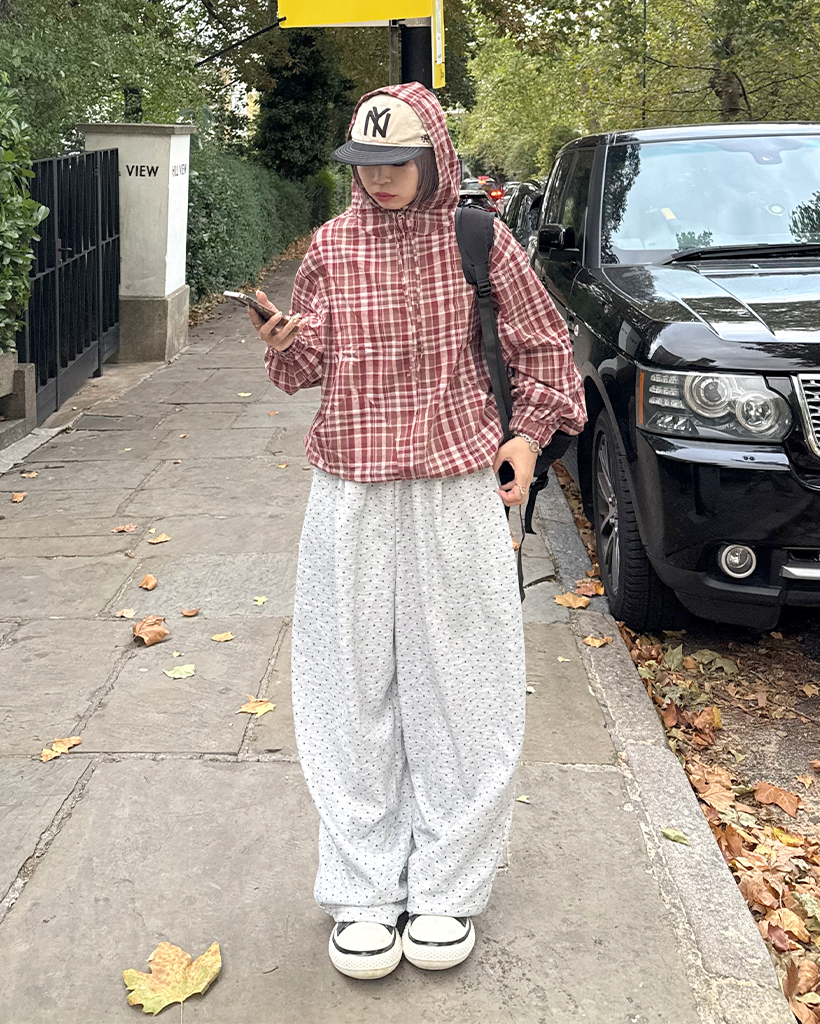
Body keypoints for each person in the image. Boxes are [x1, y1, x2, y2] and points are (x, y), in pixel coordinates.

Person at [249, 82, 586, 981]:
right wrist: (285, 340)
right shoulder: (331, 245)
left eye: (399, 160)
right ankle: (362, 887)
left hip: (454, 485)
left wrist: (527, 436)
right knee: (345, 685)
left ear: (435, 154)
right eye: (367, 163)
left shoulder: (482, 239)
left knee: (466, 686)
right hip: (350, 489)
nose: (382, 178)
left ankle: (447, 884)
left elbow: (546, 353)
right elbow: (310, 367)